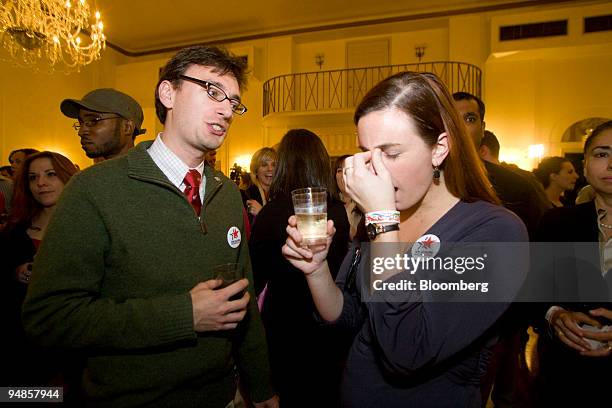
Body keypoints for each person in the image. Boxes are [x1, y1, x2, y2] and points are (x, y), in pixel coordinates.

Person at [22, 45, 277, 408]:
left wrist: (261, 385)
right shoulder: (95, 190)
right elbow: (49, 317)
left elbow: (244, 299)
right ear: (167, 93)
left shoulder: (225, 194)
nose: (226, 109)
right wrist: (183, 315)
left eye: (233, 102)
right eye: (212, 91)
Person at [282, 72, 528, 407]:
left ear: (439, 148)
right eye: (368, 154)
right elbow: (349, 318)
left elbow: (408, 349)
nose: (376, 172)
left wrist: (382, 221)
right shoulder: (380, 221)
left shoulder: (497, 232)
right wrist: (316, 270)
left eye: (391, 153)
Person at [249, 129, 350, 407]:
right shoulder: (337, 211)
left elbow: (254, 278)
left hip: (282, 328)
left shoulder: (270, 213)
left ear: (284, 164)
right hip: (328, 326)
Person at [532, 120, 612, 406]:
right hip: (565, 374)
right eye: (602, 154)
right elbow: (531, 292)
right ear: (586, 164)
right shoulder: (557, 223)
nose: (611, 164)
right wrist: (554, 314)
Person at [1, 151, 78, 387]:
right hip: (24, 349)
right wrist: (15, 273)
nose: (41, 183)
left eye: (50, 174)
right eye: (33, 178)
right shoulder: (14, 234)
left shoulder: (87, 230)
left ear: (68, 178)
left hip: (74, 345)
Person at [453, 92, 546, 239]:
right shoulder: (422, 184)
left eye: (469, 119)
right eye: (452, 119)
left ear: (482, 129)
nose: (460, 127)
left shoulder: (516, 187)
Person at [60, 88, 147, 162]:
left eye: (93, 121)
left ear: (127, 127)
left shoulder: (152, 175)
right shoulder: (87, 178)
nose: (81, 132)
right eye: (80, 123)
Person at [242, 147, 277, 223]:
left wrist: (262, 213)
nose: (270, 169)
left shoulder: (281, 195)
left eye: (274, 165)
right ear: (256, 170)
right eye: (264, 165)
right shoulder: (245, 195)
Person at [334, 154, 363, 240]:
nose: (343, 174)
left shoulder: (365, 202)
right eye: (339, 170)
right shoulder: (330, 203)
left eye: (348, 170)